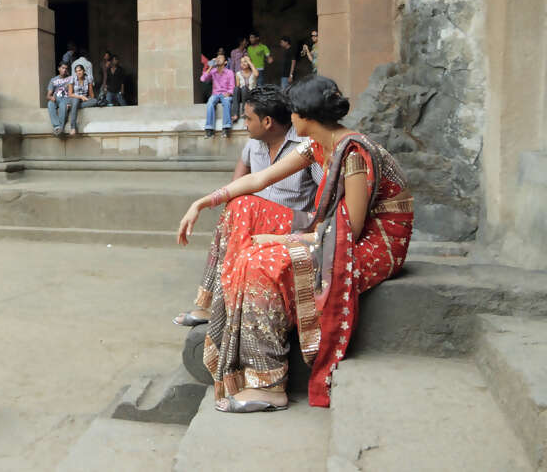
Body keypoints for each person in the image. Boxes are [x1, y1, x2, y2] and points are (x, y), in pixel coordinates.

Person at [176, 76, 413, 411]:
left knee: (261, 262)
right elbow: (260, 179)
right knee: (241, 206)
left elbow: (352, 232)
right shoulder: (315, 144)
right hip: (331, 230)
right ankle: (218, 302)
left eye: (294, 113)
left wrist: (279, 239)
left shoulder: (353, 154)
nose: (290, 120)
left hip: (375, 243)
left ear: (306, 117)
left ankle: (269, 384)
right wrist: (203, 202)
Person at [174, 85, 323, 327]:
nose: (243, 123)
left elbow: (327, 196)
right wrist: (226, 202)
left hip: (294, 225)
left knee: (242, 207)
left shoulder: (305, 147)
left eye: (247, 118)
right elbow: (244, 174)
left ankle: (217, 309)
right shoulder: (254, 143)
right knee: (238, 208)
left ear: (267, 122)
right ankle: (210, 305)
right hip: (253, 219)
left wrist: (311, 233)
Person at [200, 55, 234, 138]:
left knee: (226, 101)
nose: (218, 59)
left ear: (225, 62)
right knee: (210, 102)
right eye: (217, 58)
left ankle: (226, 128)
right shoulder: (213, 71)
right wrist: (211, 67)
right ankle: (209, 130)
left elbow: (232, 86)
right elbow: (202, 79)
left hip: (225, 93)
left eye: (220, 58)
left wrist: (229, 93)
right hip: (215, 94)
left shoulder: (229, 72)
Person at [64, 63, 98, 136]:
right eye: (77, 71)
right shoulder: (72, 79)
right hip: (73, 98)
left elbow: (91, 93)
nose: (78, 72)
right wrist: (81, 97)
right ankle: (73, 127)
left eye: (80, 70)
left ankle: (73, 107)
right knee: (76, 101)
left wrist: (91, 99)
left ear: (84, 71)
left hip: (83, 100)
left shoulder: (88, 78)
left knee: (95, 101)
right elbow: (70, 94)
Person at [46, 63, 74, 136]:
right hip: (56, 99)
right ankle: (57, 126)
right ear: (59, 68)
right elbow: (48, 95)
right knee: (50, 103)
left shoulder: (71, 78)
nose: (64, 70)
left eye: (66, 68)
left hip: (66, 99)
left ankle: (61, 128)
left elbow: (74, 92)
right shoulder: (53, 80)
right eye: (63, 68)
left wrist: (70, 102)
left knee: (63, 105)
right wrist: (51, 97)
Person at [232, 55, 258, 127]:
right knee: (236, 88)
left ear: (249, 63)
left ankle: (244, 111)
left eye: (245, 62)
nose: (243, 63)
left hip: (251, 95)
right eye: (242, 62)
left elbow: (257, 74)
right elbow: (238, 87)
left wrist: (249, 62)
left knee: (244, 88)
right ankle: (235, 114)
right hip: (242, 95)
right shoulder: (238, 74)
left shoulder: (253, 72)